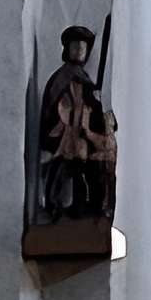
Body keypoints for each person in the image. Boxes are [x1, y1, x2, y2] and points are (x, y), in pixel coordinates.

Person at [36, 23, 118, 223]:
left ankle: (84, 208)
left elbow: (92, 105)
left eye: (83, 48)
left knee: (87, 171)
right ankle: (55, 205)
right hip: (66, 135)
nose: (79, 52)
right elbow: (53, 107)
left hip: (83, 135)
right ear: (67, 50)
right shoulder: (61, 78)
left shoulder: (84, 78)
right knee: (63, 171)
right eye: (75, 47)